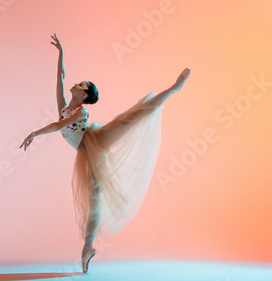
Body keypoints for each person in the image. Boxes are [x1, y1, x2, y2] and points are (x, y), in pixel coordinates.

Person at [19, 33, 191, 273]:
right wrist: (61, 52)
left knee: (133, 117)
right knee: (95, 197)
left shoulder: (81, 113)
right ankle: (87, 249)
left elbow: (58, 126)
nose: (76, 84)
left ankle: (173, 89)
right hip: (86, 150)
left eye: (82, 85)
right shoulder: (64, 107)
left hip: (97, 140)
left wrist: (35, 133)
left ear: (84, 95)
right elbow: (60, 77)